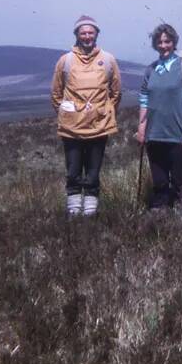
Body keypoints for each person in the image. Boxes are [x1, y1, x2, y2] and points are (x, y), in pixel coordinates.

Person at [51, 14, 121, 217]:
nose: (87, 36)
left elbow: (116, 92)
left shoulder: (108, 60)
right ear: (77, 35)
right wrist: (67, 113)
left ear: (97, 34)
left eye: (91, 32)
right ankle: (74, 210)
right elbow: (56, 94)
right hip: (71, 128)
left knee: (93, 171)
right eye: (83, 33)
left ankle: (90, 212)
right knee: (73, 171)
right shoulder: (66, 60)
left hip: (99, 127)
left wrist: (104, 112)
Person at [135, 23, 182, 209]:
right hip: (154, 134)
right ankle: (159, 219)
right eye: (159, 42)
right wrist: (141, 128)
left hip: (178, 134)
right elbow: (144, 100)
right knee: (159, 182)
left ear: (174, 43)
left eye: (167, 41)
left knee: (179, 181)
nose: (163, 45)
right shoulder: (150, 70)